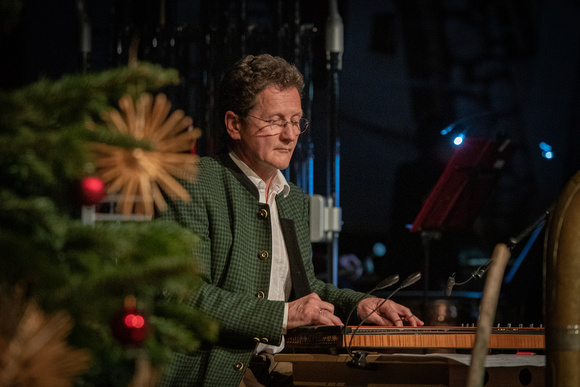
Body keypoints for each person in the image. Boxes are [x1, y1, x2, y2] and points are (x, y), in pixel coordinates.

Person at [158, 54, 423, 387]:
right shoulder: (194, 183)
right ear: (234, 125)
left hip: (279, 366)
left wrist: (361, 305)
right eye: (275, 121)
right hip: (216, 373)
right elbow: (182, 295)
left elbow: (303, 289)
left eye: (296, 120)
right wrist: (284, 315)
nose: (290, 134)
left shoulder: (292, 199)